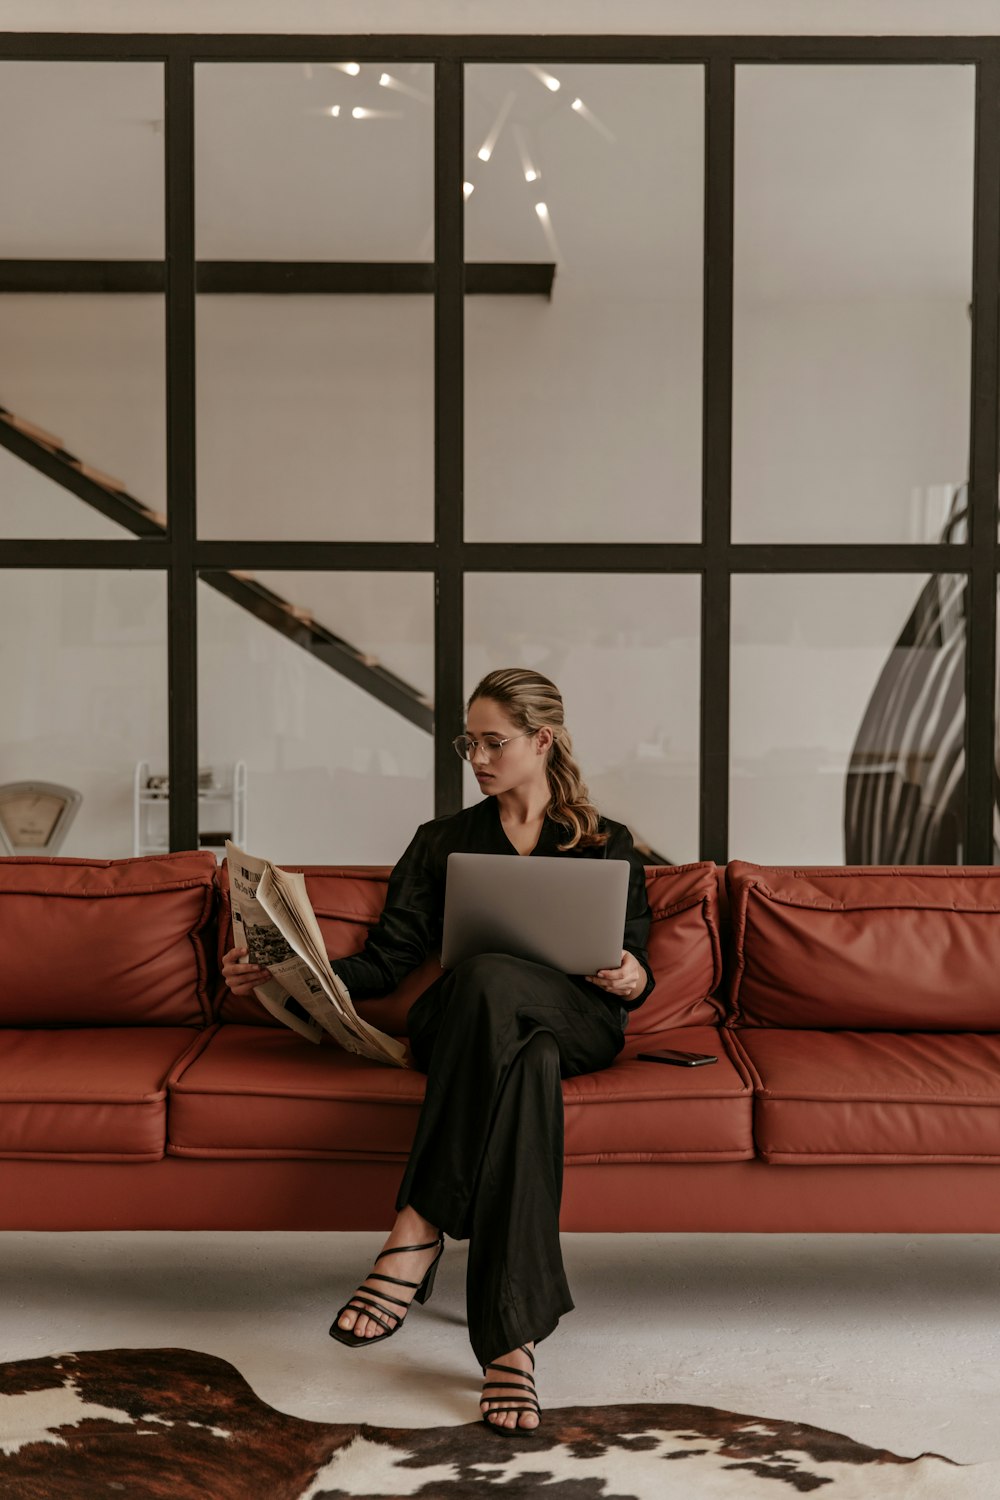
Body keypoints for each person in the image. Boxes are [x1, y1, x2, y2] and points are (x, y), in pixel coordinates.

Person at [221, 667, 655, 1433]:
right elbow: (389, 960)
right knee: (521, 1054)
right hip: (468, 1029)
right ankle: (509, 1340)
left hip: (577, 1017)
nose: (478, 758)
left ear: (540, 740)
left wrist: (631, 974)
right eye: (469, 742)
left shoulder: (605, 842)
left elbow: (630, 959)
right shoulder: (441, 842)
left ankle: (418, 1227)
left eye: (494, 742)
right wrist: (291, 969)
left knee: (508, 1000)